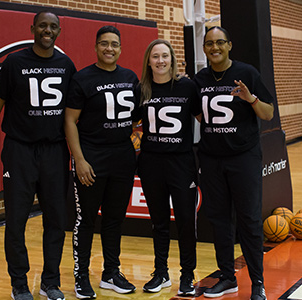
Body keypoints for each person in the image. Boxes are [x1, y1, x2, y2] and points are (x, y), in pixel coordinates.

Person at [0, 11, 76, 300]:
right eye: (43, 25)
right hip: (19, 151)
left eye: (53, 26)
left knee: (56, 219)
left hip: (55, 151)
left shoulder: (66, 64)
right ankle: (19, 283)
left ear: (58, 31)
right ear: (32, 28)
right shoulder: (15, 62)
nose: (48, 30)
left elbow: (75, 112)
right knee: (16, 220)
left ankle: (50, 282)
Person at [193, 26, 274, 300]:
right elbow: (200, 114)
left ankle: (257, 282)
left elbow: (269, 113)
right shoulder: (200, 79)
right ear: (204, 48)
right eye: (209, 44)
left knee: (249, 220)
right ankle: (227, 277)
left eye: (219, 42)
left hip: (244, 159)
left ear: (229, 45)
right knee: (219, 221)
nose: (214, 48)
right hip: (212, 160)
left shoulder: (247, 73)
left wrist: (250, 99)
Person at [64, 25, 138, 299]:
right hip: (92, 159)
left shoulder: (130, 77)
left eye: (114, 44)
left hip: (122, 157)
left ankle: (110, 272)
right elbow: (70, 120)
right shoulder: (83, 78)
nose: (109, 48)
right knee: (85, 220)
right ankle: (81, 276)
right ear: (96, 47)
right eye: (104, 43)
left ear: (120, 48)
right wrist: (79, 160)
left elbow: (140, 113)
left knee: (114, 219)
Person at [135, 39, 199, 296]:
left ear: (172, 59)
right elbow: (131, 124)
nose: (160, 61)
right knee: (158, 222)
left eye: (165, 56)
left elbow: (203, 119)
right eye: (155, 57)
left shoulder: (186, 87)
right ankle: (160, 273)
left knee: (185, 221)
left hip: (181, 163)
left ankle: (187, 275)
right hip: (151, 164)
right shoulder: (142, 90)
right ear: (148, 62)